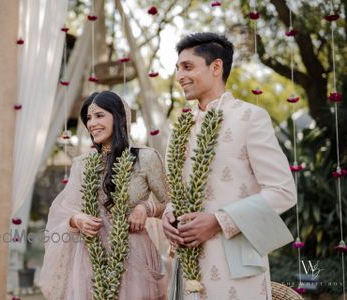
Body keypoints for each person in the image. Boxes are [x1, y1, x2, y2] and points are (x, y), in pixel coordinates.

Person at [162, 32, 297, 299]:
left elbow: (283, 192)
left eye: (188, 67)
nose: (179, 76)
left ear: (216, 67)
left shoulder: (249, 117)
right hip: (186, 267)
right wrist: (169, 214)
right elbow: (176, 191)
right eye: (178, 68)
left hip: (235, 265)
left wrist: (218, 221)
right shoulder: (180, 128)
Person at [40, 90, 169, 299]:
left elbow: (172, 205)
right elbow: (62, 212)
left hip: (133, 257)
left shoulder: (146, 158)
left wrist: (145, 207)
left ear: (119, 118)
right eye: (89, 118)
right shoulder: (82, 164)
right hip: (90, 258)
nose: (92, 124)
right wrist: (76, 220)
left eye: (99, 115)